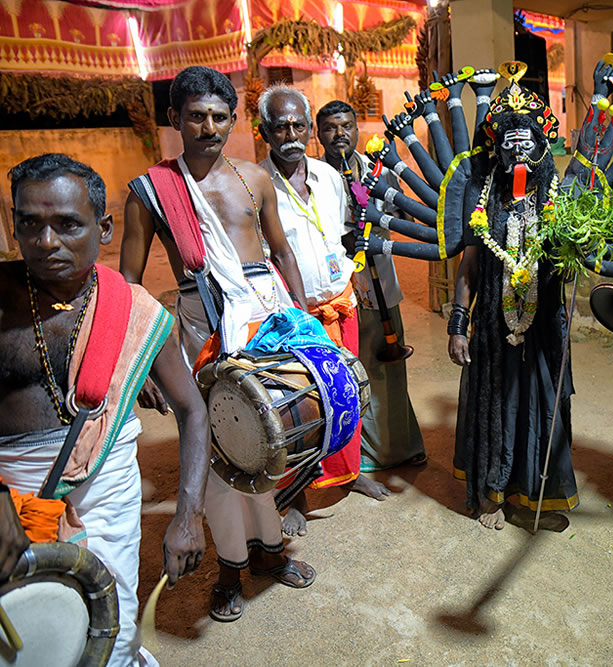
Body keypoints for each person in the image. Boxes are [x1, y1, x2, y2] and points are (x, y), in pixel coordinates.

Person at [120, 66, 315, 623]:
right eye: (197, 116)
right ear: (175, 120)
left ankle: (271, 552)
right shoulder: (152, 191)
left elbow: (281, 251)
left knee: (271, 435)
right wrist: (144, 367)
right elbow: (129, 288)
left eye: (219, 117)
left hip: (267, 322)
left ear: (233, 120)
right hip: (202, 325)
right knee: (220, 450)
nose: (209, 127)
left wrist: (304, 320)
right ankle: (230, 567)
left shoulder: (255, 178)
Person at [0, 154, 210, 666]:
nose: (47, 242)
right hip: (10, 490)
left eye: (68, 225)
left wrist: (187, 515)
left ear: (105, 227)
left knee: (111, 622)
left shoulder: (136, 311)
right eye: (30, 224)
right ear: (13, 225)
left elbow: (193, 411)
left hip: (108, 487)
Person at [257, 85, 391, 537]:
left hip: (341, 305)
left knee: (347, 395)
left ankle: (350, 475)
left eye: (298, 125)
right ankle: (295, 494)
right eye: (281, 127)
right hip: (295, 316)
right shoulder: (254, 184)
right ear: (265, 132)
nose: (291, 134)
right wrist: (293, 312)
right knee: (302, 407)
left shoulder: (328, 178)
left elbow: (336, 237)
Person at [446, 81, 577, 532]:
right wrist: (458, 324)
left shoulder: (558, 197)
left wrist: (576, 249)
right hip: (492, 325)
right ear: (497, 148)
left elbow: (569, 264)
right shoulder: (481, 194)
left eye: (528, 146)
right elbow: (469, 263)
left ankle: (537, 493)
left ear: (543, 147)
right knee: (497, 405)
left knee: (543, 407)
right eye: (510, 146)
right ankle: (493, 493)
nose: (519, 156)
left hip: (543, 326)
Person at [317, 100, 425, 472]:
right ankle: (354, 455)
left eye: (346, 125)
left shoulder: (376, 170)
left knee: (387, 366)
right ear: (319, 135)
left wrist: (377, 224)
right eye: (330, 128)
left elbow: (404, 217)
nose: (340, 134)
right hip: (337, 288)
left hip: (380, 281)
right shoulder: (310, 175)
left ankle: (400, 447)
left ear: (356, 129)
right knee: (349, 370)